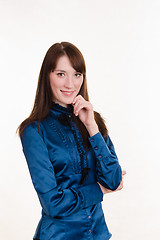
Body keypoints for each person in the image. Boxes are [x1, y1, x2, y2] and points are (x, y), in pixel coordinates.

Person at [17, 42, 126, 240]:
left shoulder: (93, 120)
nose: (70, 84)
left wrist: (92, 128)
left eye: (77, 74)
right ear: (46, 77)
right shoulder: (34, 130)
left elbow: (114, 180)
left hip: (98, 234)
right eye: (61, 74)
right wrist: (99, 190)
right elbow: (53, 203)